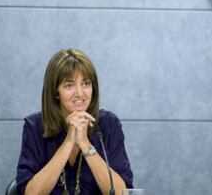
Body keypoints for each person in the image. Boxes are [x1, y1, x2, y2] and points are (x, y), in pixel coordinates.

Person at [16, 49, 133, 195]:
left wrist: (85, 144)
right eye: (69, 85)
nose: (79, 93)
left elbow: (123, 192)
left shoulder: (108, 124)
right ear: (55, 91)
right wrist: (69, 141)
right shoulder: (35, 126)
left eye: (85, 83)